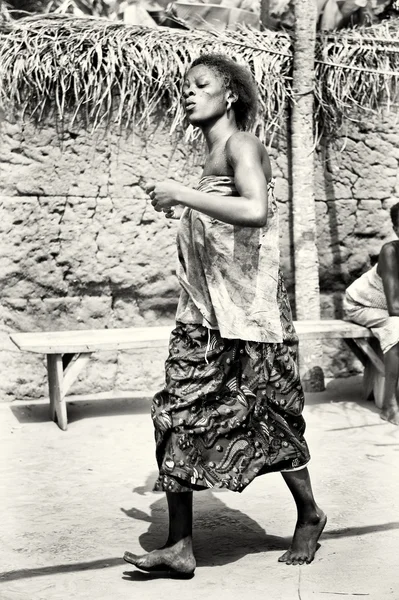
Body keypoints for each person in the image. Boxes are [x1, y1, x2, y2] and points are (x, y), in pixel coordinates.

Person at [123, 53, 326, 577]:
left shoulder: (243, 145)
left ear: (229, 93)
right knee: (174, 413)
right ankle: (179, 546)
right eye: (184, 86)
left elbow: (255, 210)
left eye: (201, 84)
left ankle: (309, 513)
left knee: (271, 414)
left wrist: (185, 195)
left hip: (252, 318)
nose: (188, 93)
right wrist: (184, 205)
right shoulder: (213, 154)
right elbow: (220, 219)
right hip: (204, 317)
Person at [343, 203, 399, 426]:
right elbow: (394, 307)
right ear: (396, 229)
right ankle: (389, 404)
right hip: (361, 305)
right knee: (397, 328)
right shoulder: (391, 252)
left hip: (389, 308)